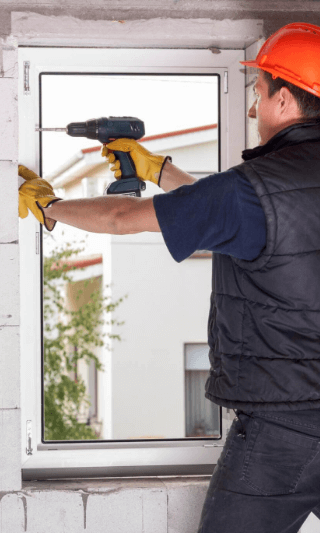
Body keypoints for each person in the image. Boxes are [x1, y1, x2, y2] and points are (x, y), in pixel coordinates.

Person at [19, 22, 320, 533]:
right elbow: (226, 216)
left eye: (258, 93)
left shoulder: (255, 189)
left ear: (286, 102)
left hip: (282, 430)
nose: (251, 109)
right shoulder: (256, 194)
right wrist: (157, 169)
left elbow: (121, 219)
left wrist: (52, 207)